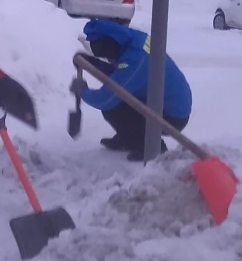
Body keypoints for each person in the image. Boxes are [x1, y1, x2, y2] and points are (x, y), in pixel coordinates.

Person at [70, 19, 192, 162]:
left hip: (172, 115)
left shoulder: (135, 60)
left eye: (107, 56)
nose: (109, 60)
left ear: (111, 45)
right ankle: (127, 139)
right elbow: (120, 75)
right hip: (163, 100)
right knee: (117, 103)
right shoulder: (132, 39)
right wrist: (93, 63)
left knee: (114, 106)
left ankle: (151, 146)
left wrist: (83, 91)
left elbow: (106, 99)